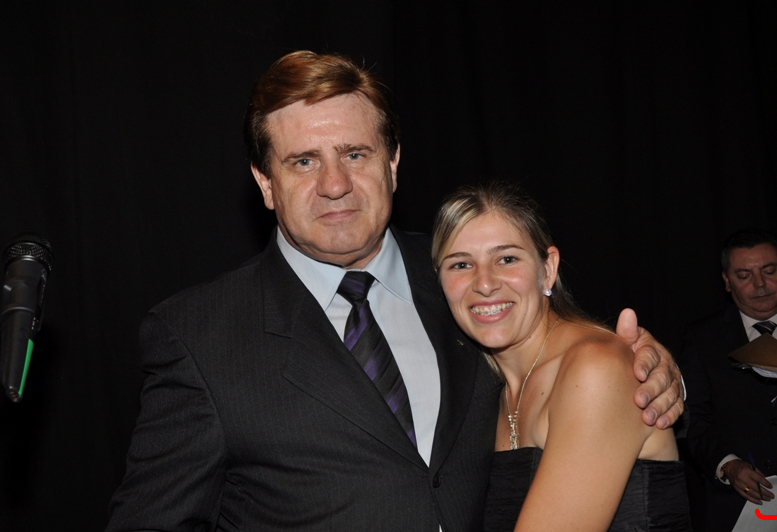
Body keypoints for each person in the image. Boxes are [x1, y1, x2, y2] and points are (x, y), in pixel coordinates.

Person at [107, 51, 683, 531]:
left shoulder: (463, 282)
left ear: (393, 163)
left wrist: (652, 368)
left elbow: (566, 359)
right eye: (304, 161)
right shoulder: (199, 337)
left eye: (355, 154)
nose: (335, 184)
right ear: (265, 182)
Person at [432, 181, 691, 531]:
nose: (485, 283)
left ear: (548, 268)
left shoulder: (595, 369)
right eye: (461, 264)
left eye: (507, 259)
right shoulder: (482, 387)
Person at [680, 228, 777, 532]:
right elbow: (693, 419)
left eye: (769, 271)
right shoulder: (703, 338)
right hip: (736, 509)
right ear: (726, 281)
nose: (759, 284)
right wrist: (728, 465)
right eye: (744, 275)